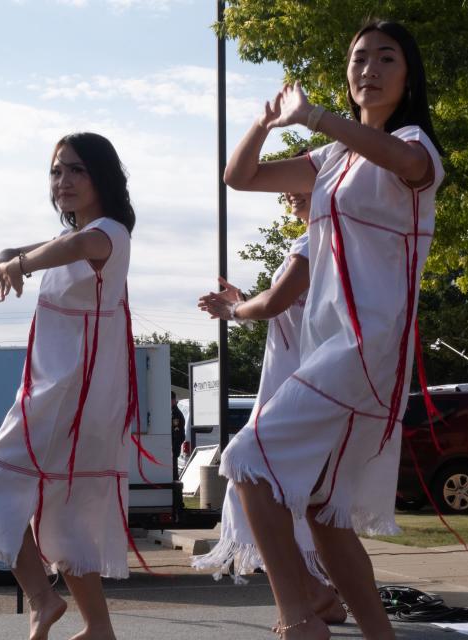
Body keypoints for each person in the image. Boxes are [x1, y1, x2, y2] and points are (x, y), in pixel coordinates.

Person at [218, 20, 445, 640]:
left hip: (367, 349)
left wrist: (314, 115)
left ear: (408, 75)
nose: (368, 69)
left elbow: (405, 162)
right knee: (324, 510)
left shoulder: (414, 142)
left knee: (245, 459)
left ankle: (300, 616)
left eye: (385, 58)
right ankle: (378, 634)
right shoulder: (332, 158)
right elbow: (241, 177)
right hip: (331, 349)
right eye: (358, 58)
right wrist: (266, 124)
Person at [0, 132, 143, 640]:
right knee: (62, 515)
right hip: (56, 394)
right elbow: (17, 249)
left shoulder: (110, 233)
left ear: (101, 175)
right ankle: (97, 626)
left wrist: (18, 265)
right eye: (57, 171)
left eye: (76, 170)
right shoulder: (65, 241)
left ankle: (42, 600)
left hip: (70, 398)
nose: (64, 181)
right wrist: (4, 259)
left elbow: (77, 246)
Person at [191, 171, 345, 625]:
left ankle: (307, 601)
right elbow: (286, 305)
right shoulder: (324, 240)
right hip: (293, 380)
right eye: (287, 188)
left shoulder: (314, 242)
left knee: (258, 482)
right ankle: (318, 595)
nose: (291, 193)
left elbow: (278, 301)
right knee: (279, 494)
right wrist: (241, 302)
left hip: (300, 383)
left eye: (301, 183)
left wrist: (234, 309)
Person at [171, 391, 185, 479]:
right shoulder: (172, 412)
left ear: (172, 400)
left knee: (173, 468)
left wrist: (173, 446)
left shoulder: (176, 413)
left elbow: (177, 432)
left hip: (175, 444)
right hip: (174, 443)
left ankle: (175, 486)